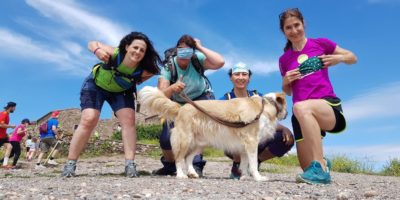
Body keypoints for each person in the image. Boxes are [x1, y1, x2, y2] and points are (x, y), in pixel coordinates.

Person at [62, 32, 162, 177]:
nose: (138, 52)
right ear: (127, 47)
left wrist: (137, 80)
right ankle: (70, 165)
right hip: (96, 85)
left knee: (129, 120)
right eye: (135, 47)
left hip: (121, 90)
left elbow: (152, 73)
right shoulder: (115, 53)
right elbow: (92, 42)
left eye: (142, 50)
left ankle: (130, 165)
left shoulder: (145, 68)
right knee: (89, 119)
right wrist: (97, 51)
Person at [278, 8, 357, 184]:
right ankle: (321, 163)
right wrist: (285, 81)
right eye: (288, 28)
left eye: (296, 25)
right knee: (307, 167)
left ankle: (320, 167)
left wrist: (340, 59)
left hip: (326, 106)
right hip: (301, 116)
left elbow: (353, 57)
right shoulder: (284, 60)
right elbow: (289, 91)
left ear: (303, 23)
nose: (294, 30)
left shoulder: (321, 43)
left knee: (300, 106)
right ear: (283, 31)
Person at [153, 34, 225, 176]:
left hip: (200, 97)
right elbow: (161, 95)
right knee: (167, 138)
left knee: (198, 131)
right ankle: (169, 165)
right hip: (177, 102)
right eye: (181, 49)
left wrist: (199, 47)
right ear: (176, 49)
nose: (185, 53)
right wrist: (172, 88)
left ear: (193, 52)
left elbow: (220, 62)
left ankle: (196, 164)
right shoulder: (169, 67)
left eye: (189, 50)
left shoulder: (197, 59)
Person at [220, 62, 294, 179]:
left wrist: (284, 129)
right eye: (237, 74)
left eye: (244, 74)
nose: (240, 77)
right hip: (234, 140)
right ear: (231, 78)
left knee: (284, 138)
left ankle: (255, 162)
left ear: (249, 78)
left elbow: (267, 120)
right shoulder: (225, 99)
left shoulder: (258, 96)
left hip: (257, 138)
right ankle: (237, 165)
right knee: (236, 137)